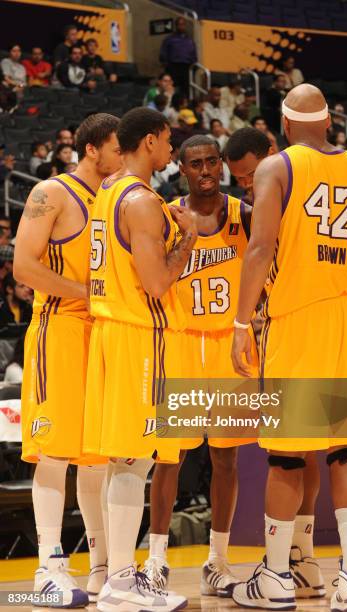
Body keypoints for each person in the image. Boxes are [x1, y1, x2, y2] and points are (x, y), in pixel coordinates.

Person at [230, 84, 347, 611]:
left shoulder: (277, 168)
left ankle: (277, 576)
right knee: (346, 450)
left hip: (301, 319)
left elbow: (258, 251)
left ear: (283, 122)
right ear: (329, 122)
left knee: (286, 455)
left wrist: (240, 322)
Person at [81, 108, 197, 610]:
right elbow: (157, 282)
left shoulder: (107, 189)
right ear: (149, 141)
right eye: (169, 142)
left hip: (107, 330)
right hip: (137, 333)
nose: (172, 151)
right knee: (136, 458)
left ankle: (116, 576)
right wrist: (188, 238)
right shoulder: (143, 201)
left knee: (121, 459)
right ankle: (124, 582)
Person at [141, 135, 257, 596]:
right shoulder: (167, 215)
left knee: (226, 457)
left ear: (222, 166)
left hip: (230, 347)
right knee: (169, 457)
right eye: (196, 163)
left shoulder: (244, 214)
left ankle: (217, 560)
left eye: (212, 161)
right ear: (182, 169)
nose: (206, 169)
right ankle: (155, 560)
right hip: (183, 345)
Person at [14, 113, 121, 608]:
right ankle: (49, 568)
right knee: (53, 453)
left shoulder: (117, 199)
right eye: (118, 148)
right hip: (59, 328)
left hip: (102, 334)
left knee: (97, 459)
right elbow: (24, 266)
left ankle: (101, 566)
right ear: (93, 148)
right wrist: (90, 292)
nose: (123, 157)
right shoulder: (51, 193)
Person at [224, 127, 326, 599]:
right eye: (239, 179)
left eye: (248, 175)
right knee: (310, 447)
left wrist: (244, 325)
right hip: (311, 324)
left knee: (293, 449)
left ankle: (285, 566)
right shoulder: (273, 197)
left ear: (270, 153)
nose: (246, 184)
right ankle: (301, 559)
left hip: (295, 328)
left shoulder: (287, 187)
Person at [159, 16, 197, 95]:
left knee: (186, 90)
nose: (181, 26)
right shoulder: (169, 39)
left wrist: (194, 65)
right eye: (179, 24)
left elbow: (194, 54)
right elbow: (163, 53)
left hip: (186, 67)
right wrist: (166, 64)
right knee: (171, 88)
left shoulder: (189, 40)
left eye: (183, 24)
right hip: (173, 67)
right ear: (176, 26)